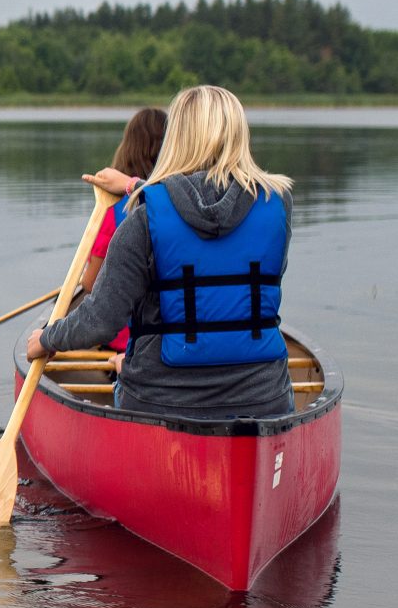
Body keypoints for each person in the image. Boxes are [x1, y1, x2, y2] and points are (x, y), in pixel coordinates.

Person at [25, 85, 293, 419]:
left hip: (163, 400)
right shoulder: (277, 203)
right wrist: (133, 185)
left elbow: (102, 321)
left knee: (127, 366)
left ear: (177, 136)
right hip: (264, 399)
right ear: (239, 134)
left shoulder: (144, 215)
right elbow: (208, 210)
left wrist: (48, 339)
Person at [74, 105, 169, 358]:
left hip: (125, 345)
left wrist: (84, 276)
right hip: (173, 340)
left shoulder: (113, 207)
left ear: (127, 146)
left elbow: (91, 283)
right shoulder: (181, 203)